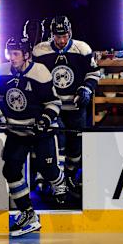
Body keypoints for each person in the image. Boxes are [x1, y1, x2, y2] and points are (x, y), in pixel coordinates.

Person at [0, 37, 65, 237]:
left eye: (16, 54)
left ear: (26, 55)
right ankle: (28, 214)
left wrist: (44, 119)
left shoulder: (39, 72)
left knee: (48, 170)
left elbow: (54, 103)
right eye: (9, 53)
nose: (11, 58)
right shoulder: (3, 71)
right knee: (10, 170)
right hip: (17, 131)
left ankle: (59, 182)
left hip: (41, 132)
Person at [32, 15, 100, 198]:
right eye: (57, 36)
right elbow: (32, 76)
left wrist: (86, 88)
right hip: (52, 107)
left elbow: (94, 73)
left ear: (70, 32)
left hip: (76, 106)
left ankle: (69, 176)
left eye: (64, 36)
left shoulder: (82, 48)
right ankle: (56, 180)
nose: (61, 40)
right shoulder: (40, 51)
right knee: (57, 143)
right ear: (51, 34)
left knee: (75, 146)